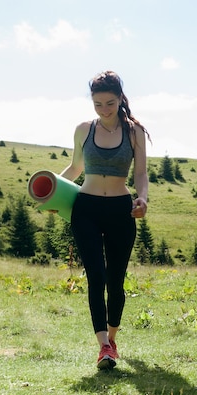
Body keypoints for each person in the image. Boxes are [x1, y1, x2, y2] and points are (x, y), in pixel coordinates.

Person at [59, 70, 150, 370]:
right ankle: (103, 347)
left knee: (115, 280)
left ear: (121, 98)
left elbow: (140, 173)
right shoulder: (84, 129)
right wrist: (50, 191)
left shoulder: (134, 132)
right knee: (96, 278)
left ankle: (112, 339)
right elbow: (75, 168)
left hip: (120, 211)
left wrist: (143, 199)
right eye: (98, 104)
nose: (104, 109)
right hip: (86, 208)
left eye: (109, 103)